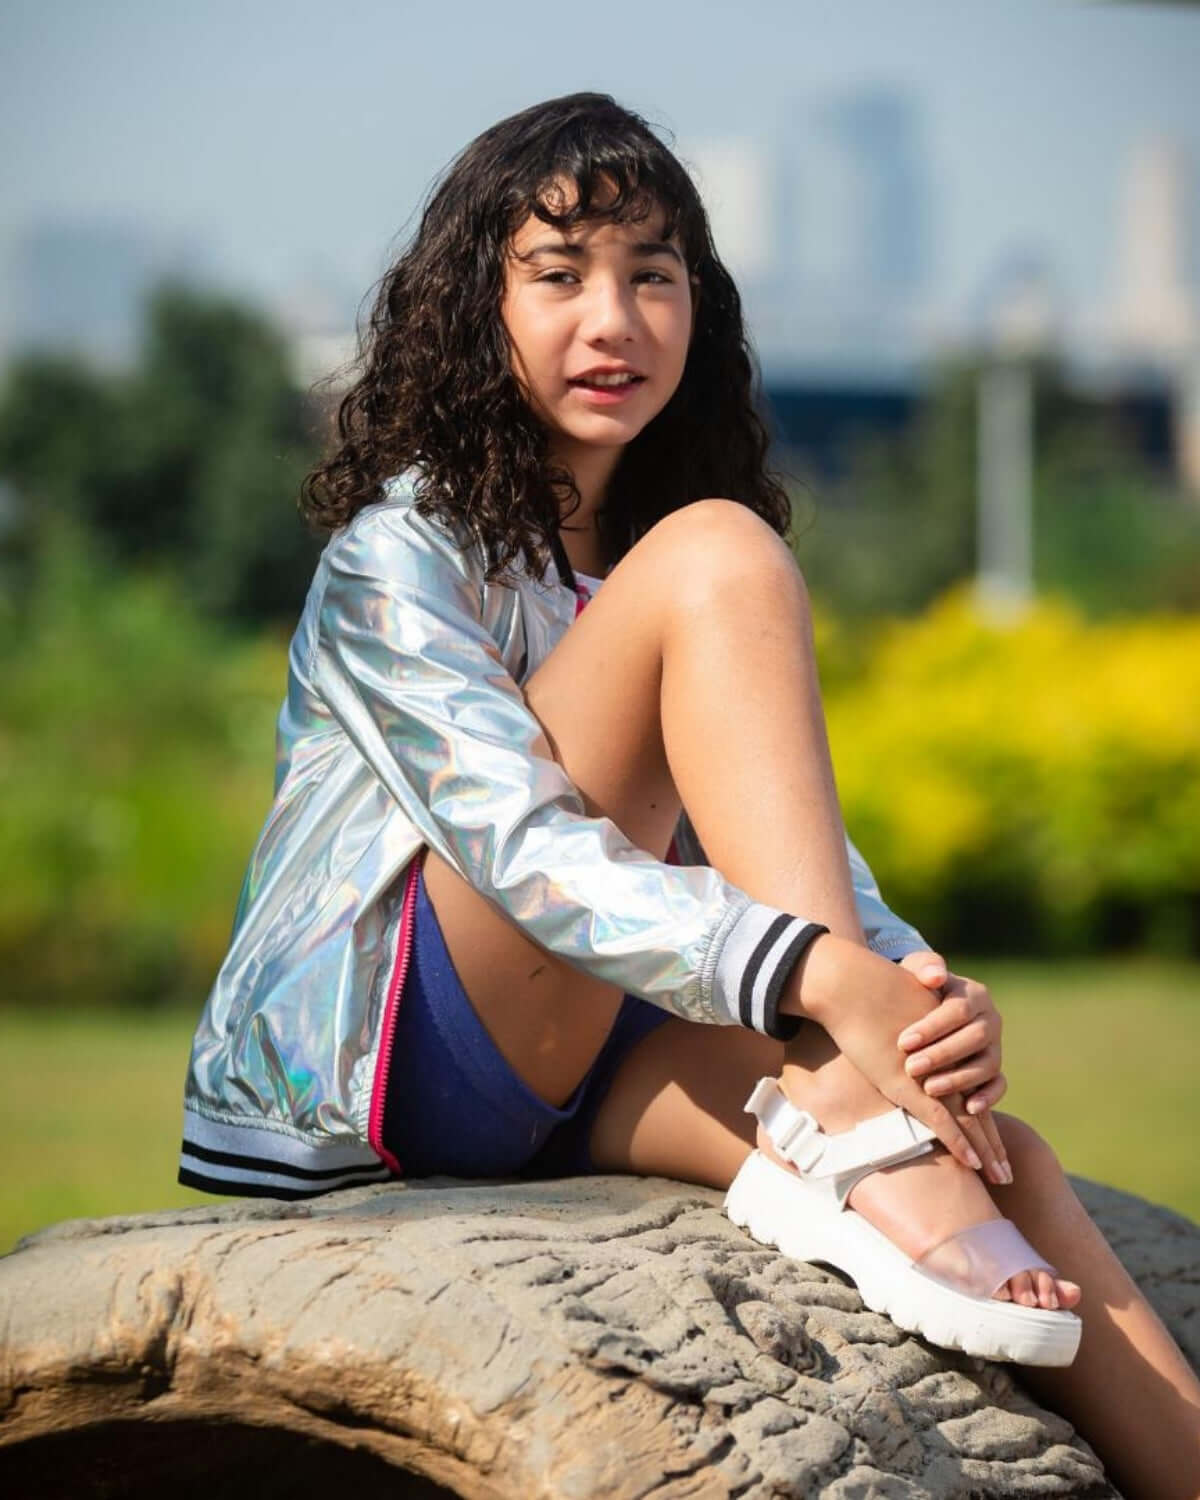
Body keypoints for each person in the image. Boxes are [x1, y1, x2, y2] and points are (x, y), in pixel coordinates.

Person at [178, 92, 1200, 1491]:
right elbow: (523, 848)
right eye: (559, 275)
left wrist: (907, 993)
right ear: (476, 309)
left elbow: (794, 852)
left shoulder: (650, 550)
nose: (615, 320)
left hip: (601, 1047)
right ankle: (846, 1105)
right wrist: (820, 982)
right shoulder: (400, 553)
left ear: (698, 310)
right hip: (397, 1065)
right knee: (719, 553)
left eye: (652, 276)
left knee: (1000, 1160)